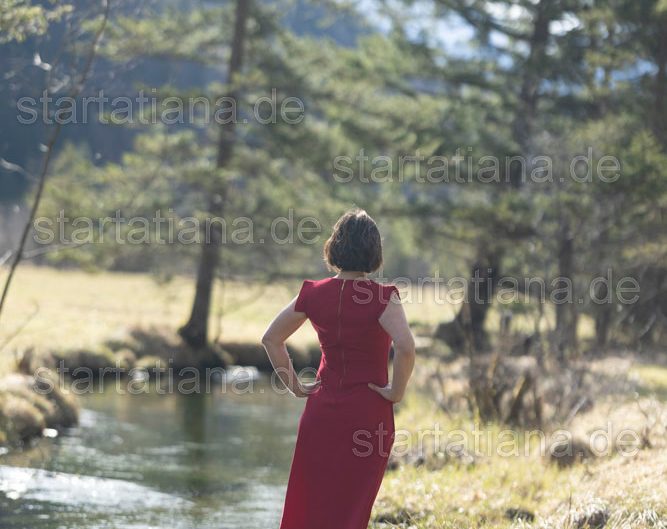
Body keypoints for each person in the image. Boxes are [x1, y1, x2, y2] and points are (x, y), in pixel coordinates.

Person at [262, 208, 416, 529]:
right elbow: (405, 347)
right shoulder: (383, 297)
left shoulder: (313, 293)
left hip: (320, 415)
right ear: (374, 251)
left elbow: (271, 339)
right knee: (351, 510)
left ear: (335, 246)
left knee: (312, 507)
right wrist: (396, 392)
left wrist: (295, 385)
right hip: (367, 416)